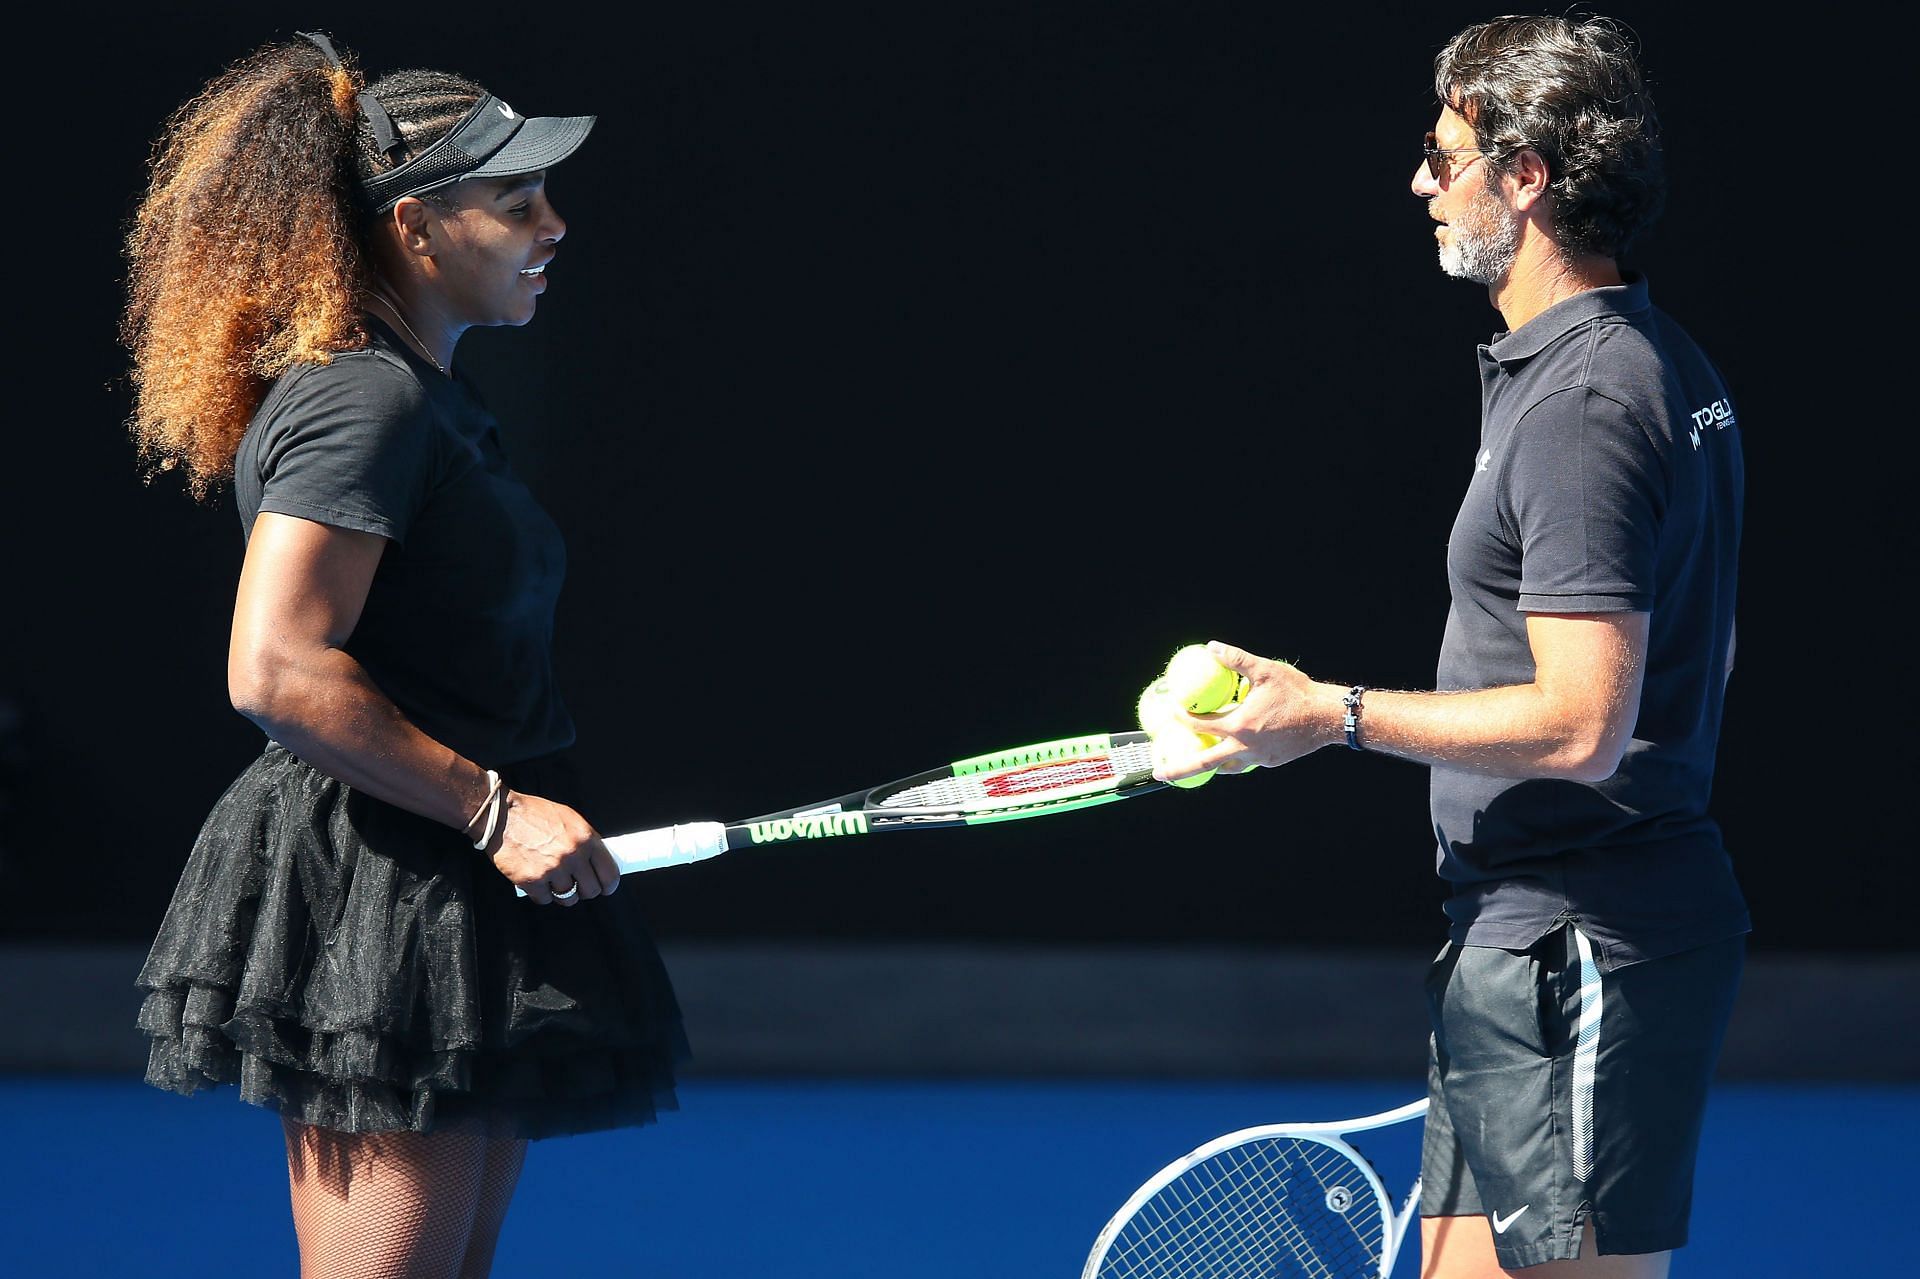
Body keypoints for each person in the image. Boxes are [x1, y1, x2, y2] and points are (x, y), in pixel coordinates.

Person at [1155, 14, 1747, 1277]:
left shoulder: (1587, 399)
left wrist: (1330, 713)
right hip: (1527, 935)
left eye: (1445, 153)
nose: (1423, 182)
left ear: (1524, 176)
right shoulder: (1624, 364)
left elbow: (1583, 722)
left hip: (1586, 942)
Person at [120, 31, 687, 1277]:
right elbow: (277, 668)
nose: (555, 225)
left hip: (453, 874)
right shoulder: (361, 399)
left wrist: (492, 824)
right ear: (418, 225)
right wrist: (493, 810)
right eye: (516, 200)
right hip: (384, 883)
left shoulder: (428, 395)